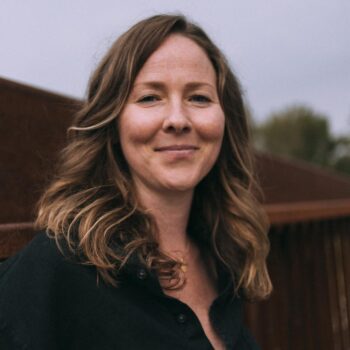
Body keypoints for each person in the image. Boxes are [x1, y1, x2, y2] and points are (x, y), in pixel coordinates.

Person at [0, 14, 272, 350]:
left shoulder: (223, 257)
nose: (177, 119)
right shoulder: (58, 266)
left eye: (199, 97)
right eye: (149, 97)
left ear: (225, 119)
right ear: (113, 121)